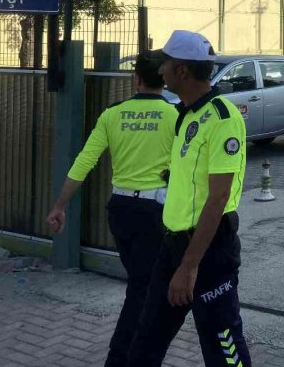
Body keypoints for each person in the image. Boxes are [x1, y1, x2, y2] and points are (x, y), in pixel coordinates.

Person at [127, 30, 252, 367]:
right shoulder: (187, 113)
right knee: (147, 338)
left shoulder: (222, 119)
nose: (161, 69)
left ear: (182, 70)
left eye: (166, 62)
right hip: (173, 248)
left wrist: (189, 266)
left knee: (224, 345)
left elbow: (218, 198)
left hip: (207, 254)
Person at [46, 52, 176, 367]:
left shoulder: (113, 114)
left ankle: (135, 354)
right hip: (155, 212)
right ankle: (121, 358)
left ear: (137, 80)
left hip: (120, 211)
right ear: (165, 78)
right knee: (143, 289)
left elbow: (84, 162)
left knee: (142, 283)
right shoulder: (176, 116)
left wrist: (60, 205)